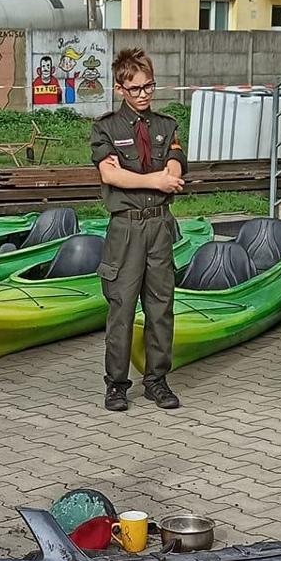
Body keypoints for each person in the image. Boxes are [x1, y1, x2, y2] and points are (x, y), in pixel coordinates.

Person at [90, 48, 186, 412]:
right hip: (125, 231)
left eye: (149, 87)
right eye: (135, 89)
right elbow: (110, 175)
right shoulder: (106, 128)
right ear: (119, 89)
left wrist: (156, 179)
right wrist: (156, 181)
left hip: (160, 227)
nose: (144, 94)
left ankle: (157, 380)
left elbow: (175, 169)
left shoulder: (166, 125)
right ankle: (116, 383)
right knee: (122, 308)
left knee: (161, 307)